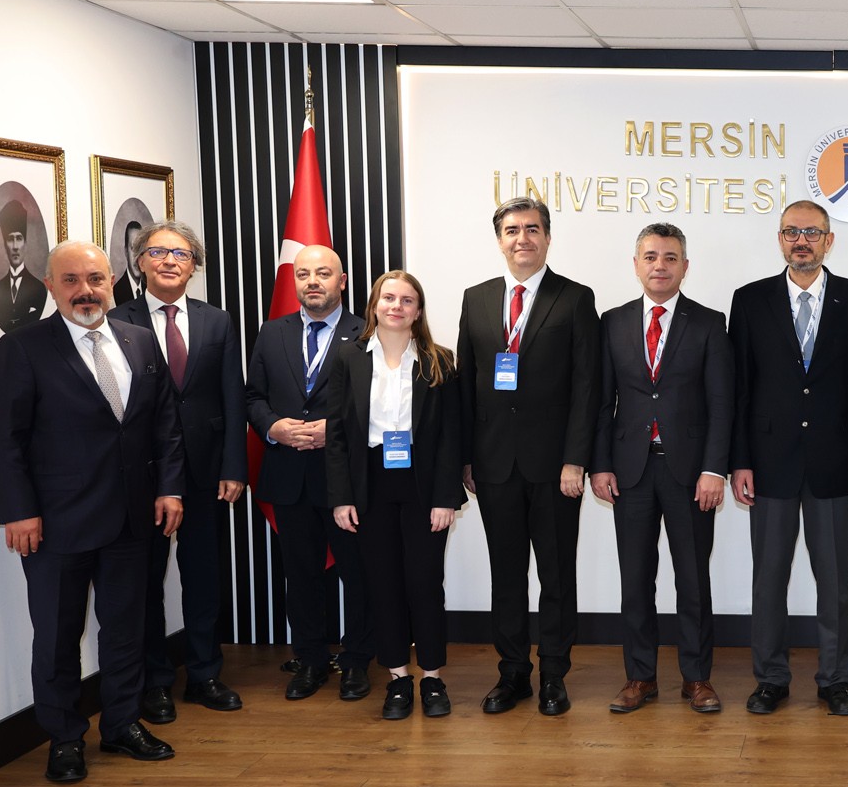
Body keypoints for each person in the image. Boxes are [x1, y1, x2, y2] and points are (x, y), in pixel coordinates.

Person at [0, 241, 185, 783]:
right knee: (57, 636)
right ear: (51, 286)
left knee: (126, 630)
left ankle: (122, 725)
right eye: (70, 280)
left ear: (112, 281)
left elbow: (164, 423)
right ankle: (65, 738)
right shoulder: (22, 348)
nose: (84, 291)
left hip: (132, 518)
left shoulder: (139, 340)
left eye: (95, 279)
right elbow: (3, 439)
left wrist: (170, 488)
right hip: (55, 524)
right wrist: (18, 511)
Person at [728, 201, 848, 716]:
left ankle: (835, 679)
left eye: (812, 232)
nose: (801, 240)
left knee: (834, 581)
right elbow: (741, 387)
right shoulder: (749, 300)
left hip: (835, 461)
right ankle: (770, 678)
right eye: (792, 231)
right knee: (769, 579)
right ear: (780, 239)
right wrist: (740, 459)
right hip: (769, 462)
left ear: (829, 241)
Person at [457, 197, 599, 717]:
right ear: (500, 240)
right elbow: (467, 385)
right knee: (507, 574)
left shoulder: (575, 298)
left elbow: (587, 386)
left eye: (533, 229)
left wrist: (576, 459)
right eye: (513, 230)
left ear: (547, 237)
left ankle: (554, 674)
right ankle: (513, 672)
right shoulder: (476, 298)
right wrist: (466, 458)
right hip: (494, 464)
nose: (523, 238)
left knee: (557, 575)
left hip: (555, 467)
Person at [106, 221, 246, 721]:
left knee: (205, 575)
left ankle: (205, 674)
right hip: (143, 473)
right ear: (140, 262)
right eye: (158, 252)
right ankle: (155, 681)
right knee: (144, 580)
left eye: (181, 254)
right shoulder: (114, 319)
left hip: (208, 471)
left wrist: (234, 465)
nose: (169, 261)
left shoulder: (217, 321)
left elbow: (232, 395)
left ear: (194, 267)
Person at [591, 223, 734, 713]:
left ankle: (697, 678)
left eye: (670, 258)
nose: (660, 265)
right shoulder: (612, 322)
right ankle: (640, 677)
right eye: (650, 256)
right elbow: (601, 402)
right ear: (636, 265)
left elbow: (722, 403)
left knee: (693, 580)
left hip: (690, 474)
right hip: (629, 472)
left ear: (685, 267)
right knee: (636, 580)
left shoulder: (709, 323)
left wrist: (714, 469)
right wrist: (600, 465)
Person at [327, 271, 466, 720]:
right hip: (370, 484)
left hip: (423, 485)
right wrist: (342, 497)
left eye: (407, 300)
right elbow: (337, 435)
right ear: (374, 305)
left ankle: (432, 678)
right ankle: (398, 679)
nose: (396, 307)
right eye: (388, 298)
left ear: (418, 311)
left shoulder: (438, 360)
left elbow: (451, 436)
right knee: (382, 584)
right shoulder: (349, 357)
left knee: (424, 584)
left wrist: (446, 497)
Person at [246, 243, 372, 702]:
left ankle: (357, 661)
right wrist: (273, 427)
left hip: (346, 480)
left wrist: (334, 428)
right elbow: (253, 396)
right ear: (294, 281)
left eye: (323, 273)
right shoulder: (271, 332)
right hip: (289, 475)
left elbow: (380, 402)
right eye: (303, 274)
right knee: (300, 576)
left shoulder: (367, 332)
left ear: (342, 281)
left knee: (359, 575)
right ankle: (311, 660)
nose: (312, 282)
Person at [0, 199, 47, 333]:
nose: (15, 246)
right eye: (10, 239)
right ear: (5, 245)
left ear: (25, 244)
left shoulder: (38, 288)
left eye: (19, 239)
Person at [113, 217, 146, 308]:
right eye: (133, 248)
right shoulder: (116, 291)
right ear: (126, 251)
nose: (137, 256)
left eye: (140, 249)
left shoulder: (151, 289)